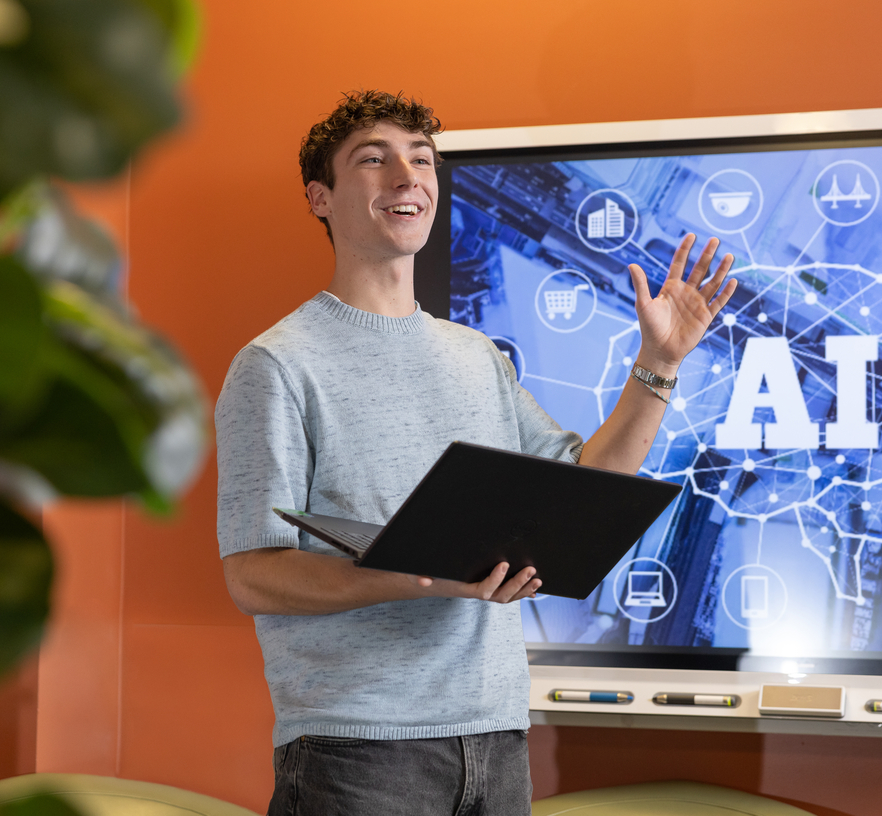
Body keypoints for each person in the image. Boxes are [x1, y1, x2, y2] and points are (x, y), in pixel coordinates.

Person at [215, 90, 736, 816]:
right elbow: (253, 576)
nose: (408, 176)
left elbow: (587, 485)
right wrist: (423, 578)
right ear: (319, 197)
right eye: (376, 159)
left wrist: (660, 361)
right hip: (358, 751)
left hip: (497, 740)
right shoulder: (276, 364)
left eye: (422, 159)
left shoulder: (478, 357)